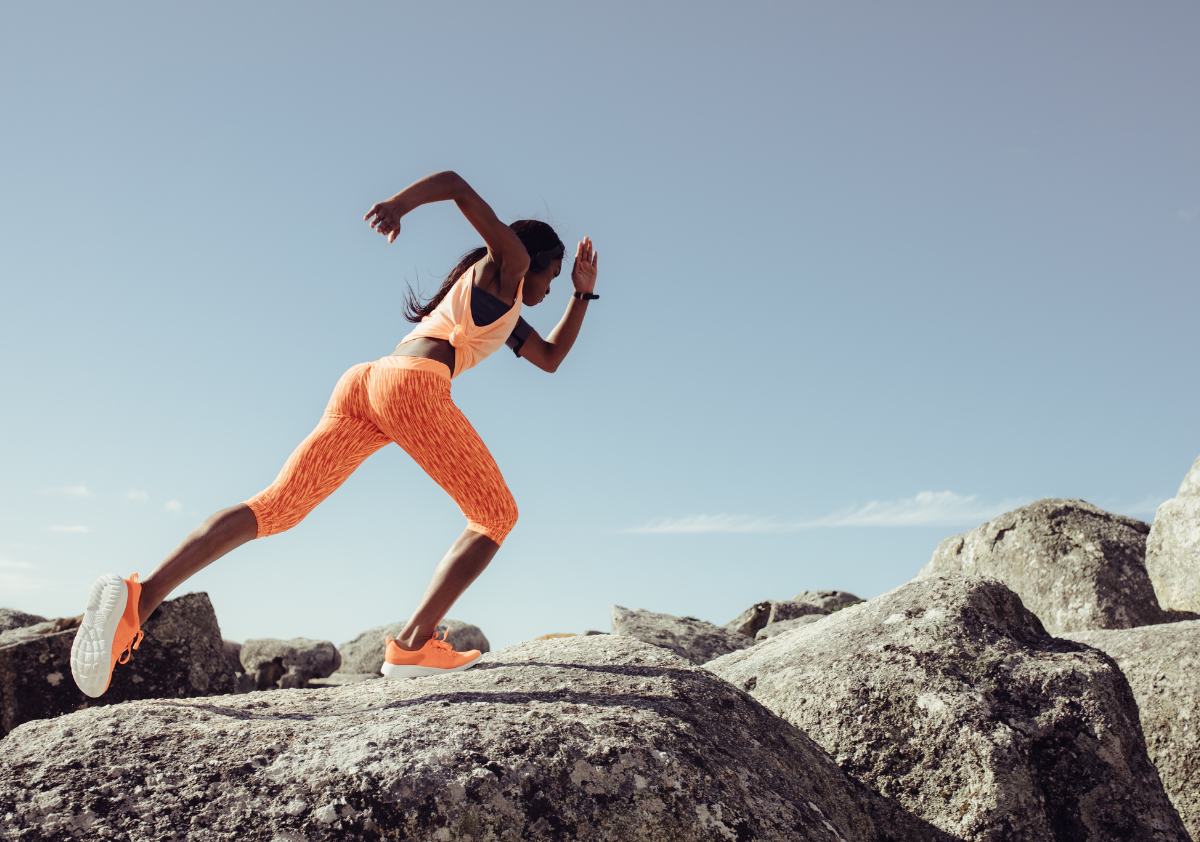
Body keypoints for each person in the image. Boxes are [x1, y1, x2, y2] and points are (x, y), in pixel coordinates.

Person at [70, 170, 599, 696]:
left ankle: (138, 600)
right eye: (554, 278)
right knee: (496, 514)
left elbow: (550, 359)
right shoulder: (512, 264)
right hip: (412, 387)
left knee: (276, 507)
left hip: (364, 385)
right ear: (534, 262)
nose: (551, 288)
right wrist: (399, 204)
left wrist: (582, 296)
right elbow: (458, 185)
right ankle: (413, 646)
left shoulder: (500, 308)